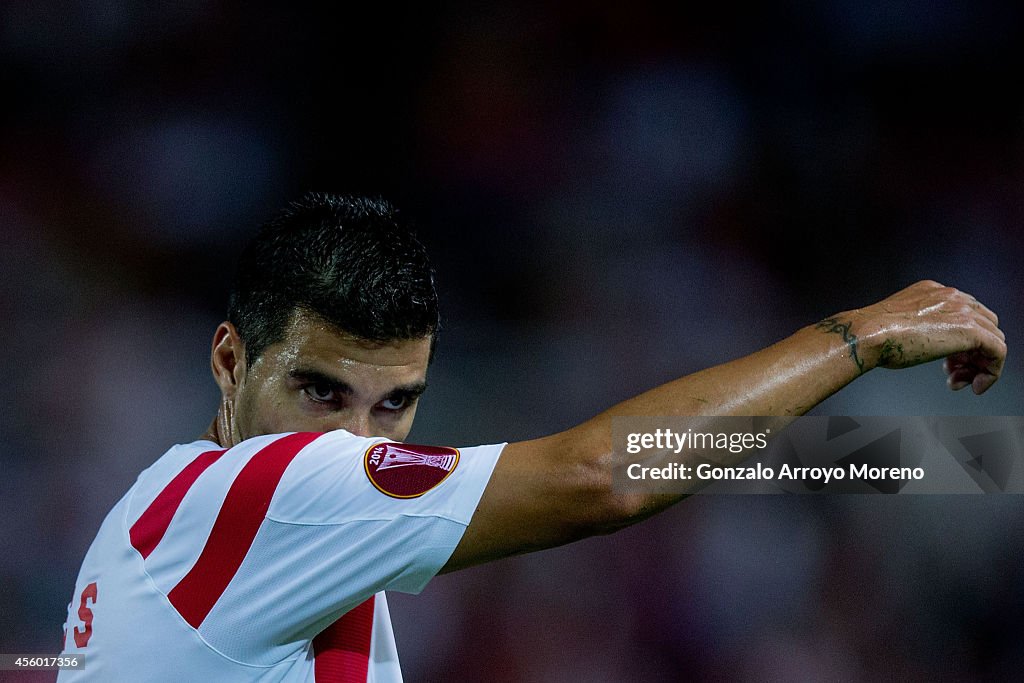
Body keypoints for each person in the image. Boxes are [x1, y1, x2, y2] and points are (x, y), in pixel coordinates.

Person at [58, 193, 1006, 681]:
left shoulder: (147, 524)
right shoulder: (271, 497)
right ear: (230, 361)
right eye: (319, 389)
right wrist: (856, 337)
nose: (354, 438)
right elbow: (609, 476)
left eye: (394, 405)